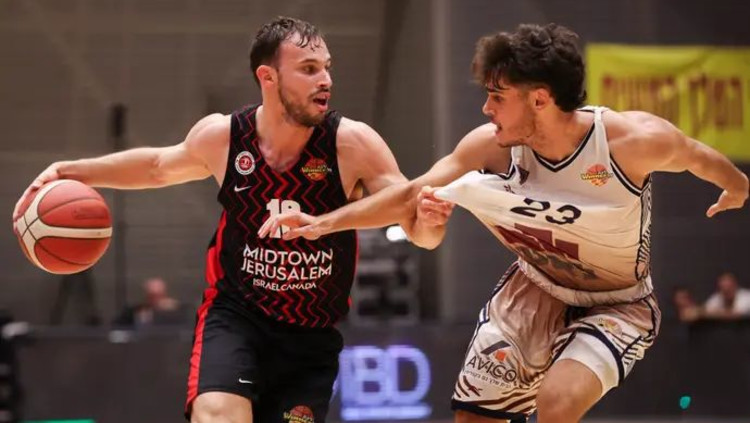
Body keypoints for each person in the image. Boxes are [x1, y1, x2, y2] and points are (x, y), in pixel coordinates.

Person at [258, 23, 749, 423]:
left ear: (539, 100)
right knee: (473, 418)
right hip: (533, 289)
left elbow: (696, 155)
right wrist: (322, 223)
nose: (485, 108)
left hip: (617, 301)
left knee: (557, 404)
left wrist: (738, 186)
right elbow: (411, 194)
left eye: (497, 96)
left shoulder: (629, 141)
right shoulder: (489, 147)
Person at [12, 16, 425, 423]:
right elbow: (157, 166)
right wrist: (70, 171)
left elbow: (409, 211)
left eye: (327, 68)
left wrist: (425, 221)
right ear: (268, 77)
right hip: (237, 316)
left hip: (309, 335)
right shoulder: (226, 137)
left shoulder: (351, 142)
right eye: (309, 69)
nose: (326, 80)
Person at [113, 277, 189, 327]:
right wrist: (139, 318)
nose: (155, 300)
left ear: (165, 295)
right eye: (151, 296)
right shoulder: (133, 311)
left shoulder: (174, 312)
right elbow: (117, 328)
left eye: (159, 296)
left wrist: (175, 309)